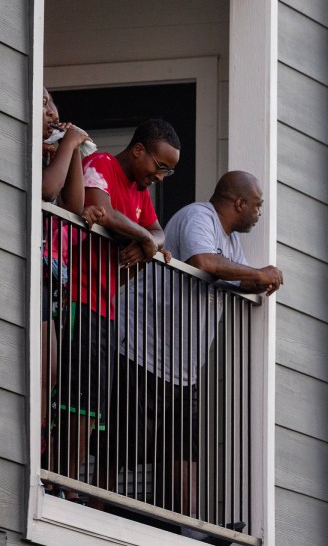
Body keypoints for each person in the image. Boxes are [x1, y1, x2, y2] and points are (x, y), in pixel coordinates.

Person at [114, 170, 282, 520]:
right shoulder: (198, 217)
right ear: (239, 203)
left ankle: (187, 528)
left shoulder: (231, 243)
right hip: (143, 349)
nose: (259, 213)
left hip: (183, 367)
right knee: (121, 442)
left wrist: (262, 281)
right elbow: (203, 262)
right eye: (258, 205)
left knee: (184, 447)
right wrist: (258, 274)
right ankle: (98, 508)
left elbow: (236, 278)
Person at [55, 118, 180, 499]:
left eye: (169, 171)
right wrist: (145, 239)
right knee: (76, 401)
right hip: (78, 297)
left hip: (107, 308)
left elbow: (160, 232)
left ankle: (69, 481)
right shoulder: (103, 165)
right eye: (160, 166)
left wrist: (149, 240)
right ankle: (60, 482)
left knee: (92, 407)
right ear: (139, 150)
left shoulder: (140, 192)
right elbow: (101, 210)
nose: (161, 176)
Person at [40, 88, 99, 475]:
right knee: (43, 368)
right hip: (33, 275)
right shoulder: (29, 147)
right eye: (41, 101)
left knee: (52, 372)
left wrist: (73, 148)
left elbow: (73, 206)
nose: (49, 109)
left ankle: (41, 451)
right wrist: (66, 147)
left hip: (52, 284)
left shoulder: (53, 150)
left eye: (50, 101)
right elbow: (46, 191)